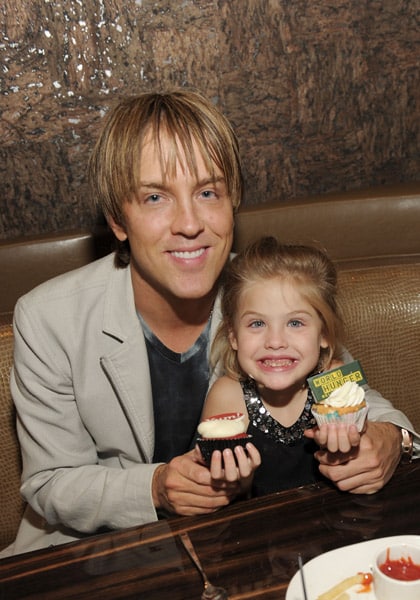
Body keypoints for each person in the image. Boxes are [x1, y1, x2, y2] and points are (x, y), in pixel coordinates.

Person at [3, 89, 417, 557]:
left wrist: (391, 438)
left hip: (253, 547)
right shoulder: (48, 318)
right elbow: (50, 482)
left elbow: (344, 386)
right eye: (156, 196)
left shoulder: (265, 287)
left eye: (207, 192)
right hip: (105, 555)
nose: (189, 223)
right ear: (118, 219)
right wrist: (156, 488)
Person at [202, 236, 365, 495]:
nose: (275, 341)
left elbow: (366, 451)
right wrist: (236, 478)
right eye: (257, 324)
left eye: (295, 323)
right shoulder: (227, 395)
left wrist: (348, 444)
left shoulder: (336, 378)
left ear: (325, 333)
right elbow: (224, 493)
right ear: (233, 336)